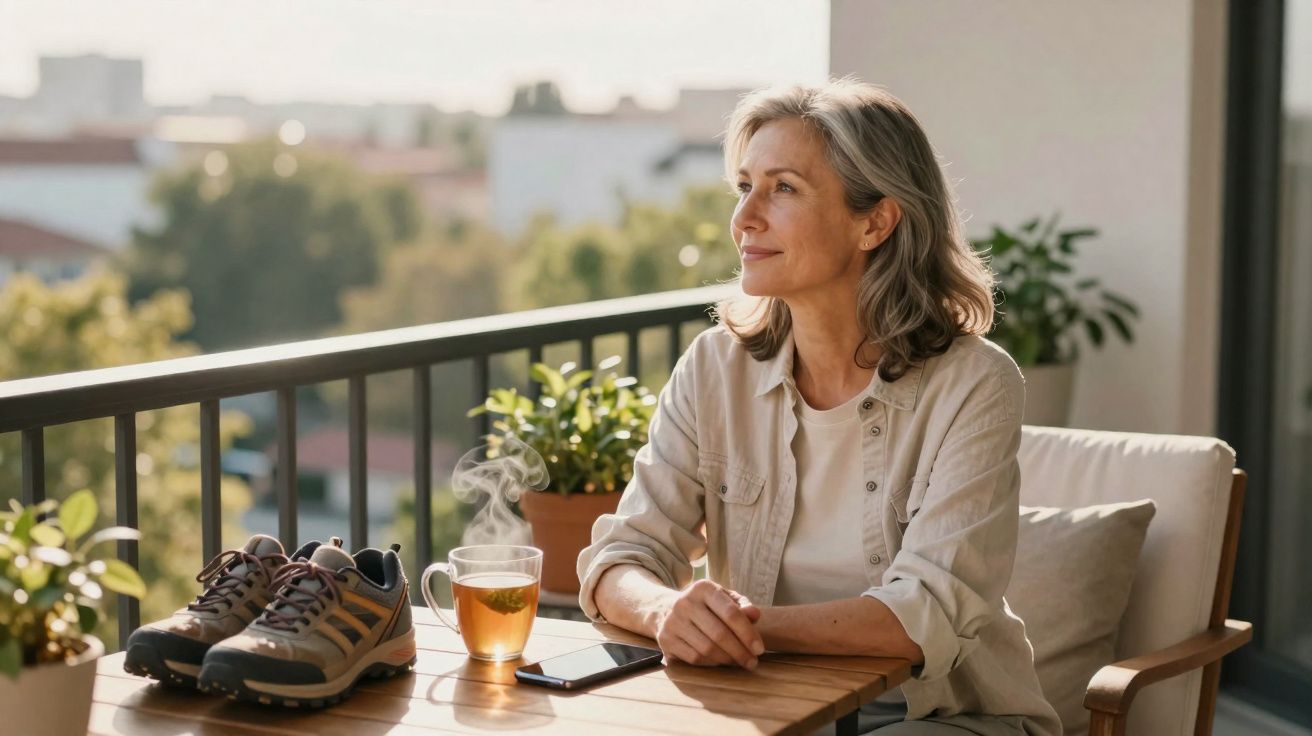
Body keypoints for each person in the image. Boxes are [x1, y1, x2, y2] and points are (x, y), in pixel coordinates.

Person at [576, 78, 1061, 735]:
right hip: (771, 713)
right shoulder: (714, 368)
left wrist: (742, 629)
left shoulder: (975, 384)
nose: (744, 219)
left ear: (875, 221)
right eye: (744, 186)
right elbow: (619, 562)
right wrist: (668, 613)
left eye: (783, 188)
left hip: (946, 717)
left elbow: (925, 613)